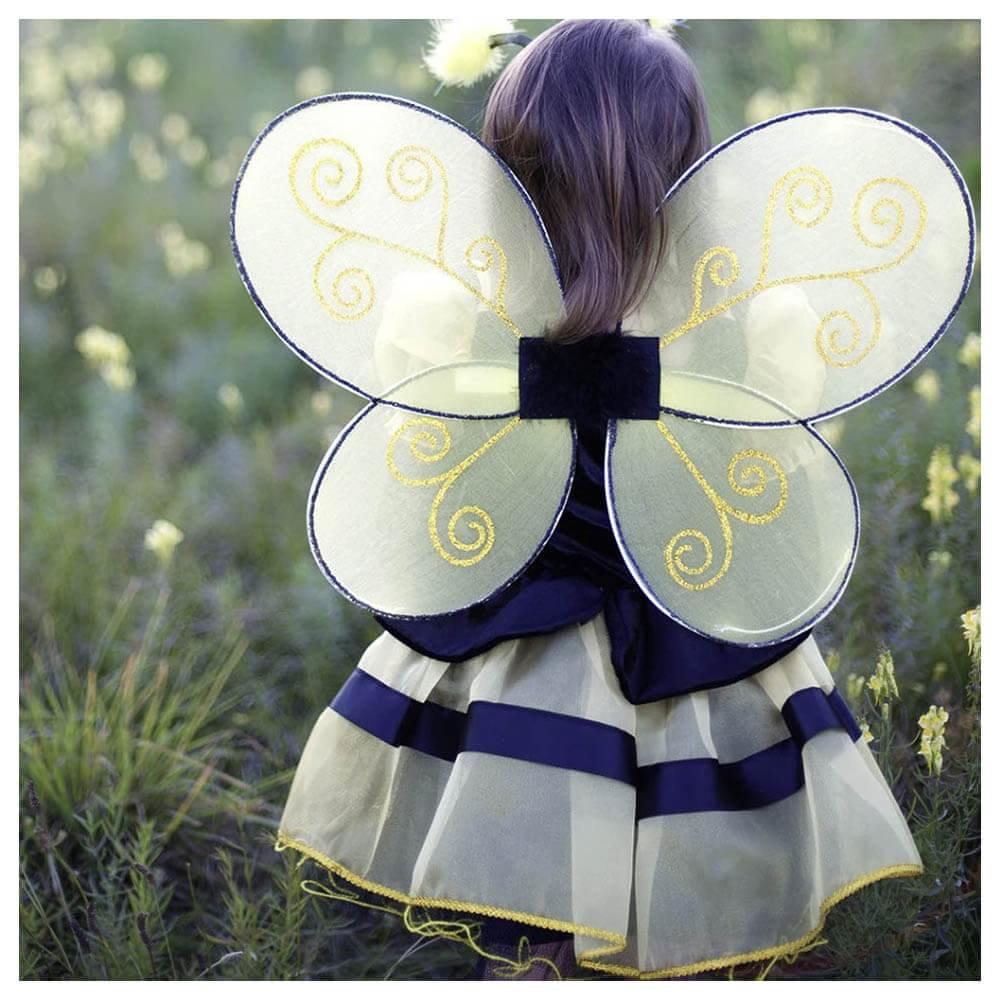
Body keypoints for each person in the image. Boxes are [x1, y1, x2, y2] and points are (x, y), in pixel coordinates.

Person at [274, 19, 924, 979]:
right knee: (694, 862)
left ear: (510, 162)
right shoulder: (747, 327)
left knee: (527, 873)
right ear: (684, 158)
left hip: (515, 654)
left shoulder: (459, 317)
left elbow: (427, 499)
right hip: (691, 645)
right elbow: (768, 500)